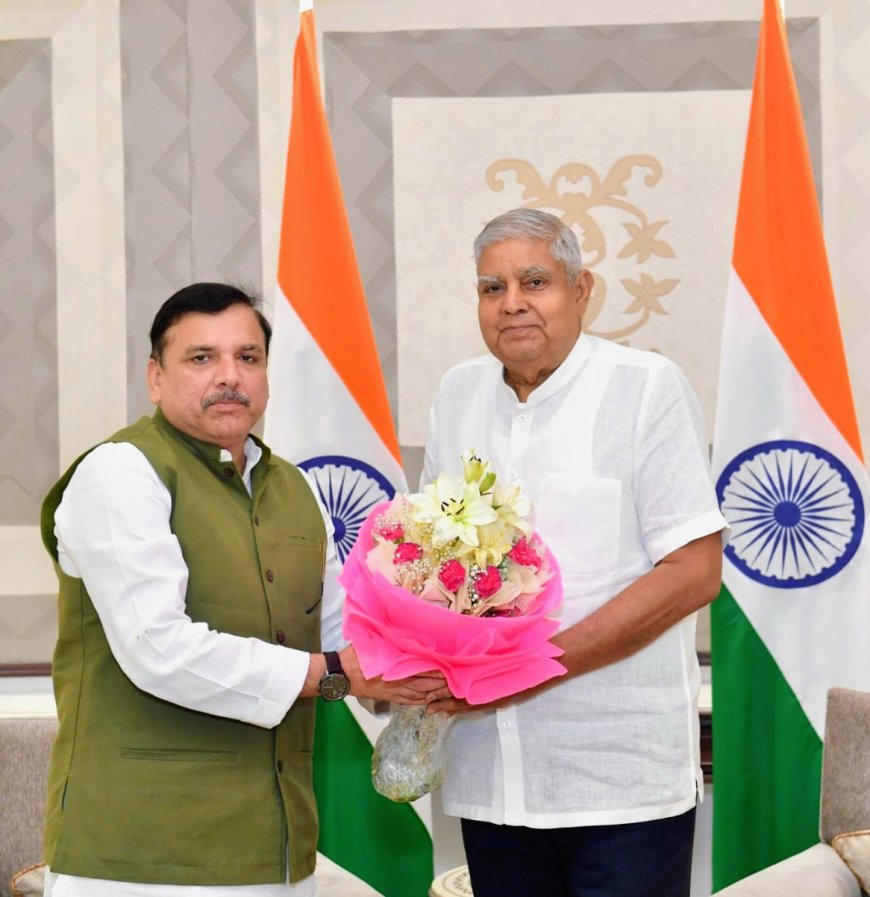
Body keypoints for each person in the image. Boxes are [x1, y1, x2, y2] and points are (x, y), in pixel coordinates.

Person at [40, 283, 440, 897]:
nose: (229, 376)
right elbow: (159, 650)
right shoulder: (120, 472)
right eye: (202, 358)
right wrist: (338, 672)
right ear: (155, 377)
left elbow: (342, 628)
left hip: (280, 848)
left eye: (248, 357)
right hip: (141, 857)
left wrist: (441, 653)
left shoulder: (292, 488)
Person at [424, 209, 728, 897]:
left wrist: (533, 666)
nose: (512, 303)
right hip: (492, 779)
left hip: (619, 783)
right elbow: (431, 557)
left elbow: (694, 571)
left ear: (581, 289)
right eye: (490, 287)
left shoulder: (644, 386)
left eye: (536, 280)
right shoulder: (457, 395)